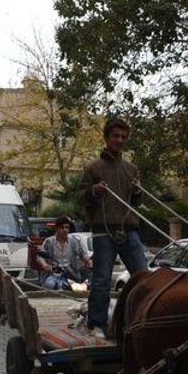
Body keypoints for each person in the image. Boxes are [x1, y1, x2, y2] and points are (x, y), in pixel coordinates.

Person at [76, 118, 148, 339]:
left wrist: (137, 191)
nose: (120, 140)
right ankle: (96, 323)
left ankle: (143, 320)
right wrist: (95, 191)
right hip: (103, 230)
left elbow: (136, 203)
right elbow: (79, 199)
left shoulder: (131, 168)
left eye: (124, 137)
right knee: (101, 280)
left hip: (129, 229)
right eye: (116, 136)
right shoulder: (93, 167)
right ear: (107, 138)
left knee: (143, 277)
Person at [36, 217, 90, 290]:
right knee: (49, 285)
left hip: (71, 274)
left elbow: (82, 254)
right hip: (53, 274)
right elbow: (40, 256)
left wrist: (88, 261)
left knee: (79, 288)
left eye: (67, 227)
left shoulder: (74, 241)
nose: (65, 230)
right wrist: (45, 265)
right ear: (57, 229)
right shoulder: (49, 241)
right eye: (62, 228)